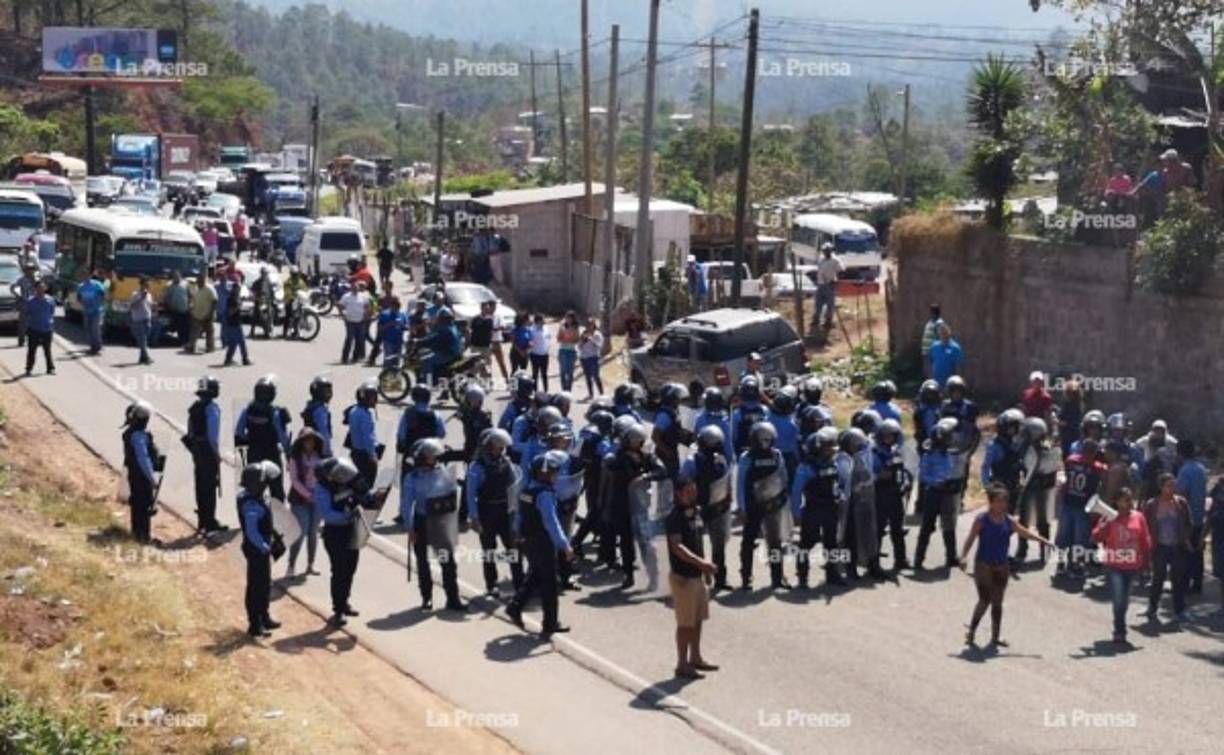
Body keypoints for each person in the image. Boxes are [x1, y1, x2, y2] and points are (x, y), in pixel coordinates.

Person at [958, 485, 1053, 647]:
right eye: (999, 501)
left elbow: (1024, 532)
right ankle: (971, 631)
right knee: (984, 600)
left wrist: (1043, 541)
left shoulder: (1008, 520)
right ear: (991, 503)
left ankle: (995, 636)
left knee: (997, 602)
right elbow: (971, 537)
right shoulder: (982, 519)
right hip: (984, 565)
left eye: (1005, 502)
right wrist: (964, 556)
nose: (1003, 505)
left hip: (1002, 566)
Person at [506, 450, 574, 637]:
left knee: (535, 575)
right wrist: (564, 545)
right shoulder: (544, 494)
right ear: (541, 473)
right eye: (552, 472)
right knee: (549, 583)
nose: (555, 475)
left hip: (527, 540)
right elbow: (551, 522)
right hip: (542, 542)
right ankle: (550, 623)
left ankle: (515, 606)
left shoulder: (527, 490)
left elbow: (519, 515)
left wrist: (518, 533)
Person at [400, 438, 466, 612]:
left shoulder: (443, 472)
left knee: (448, 562)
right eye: (430, 456)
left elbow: (452, 494)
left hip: (441, 522)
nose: (435, 459)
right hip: (422, 521)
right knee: (423, 562)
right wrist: (410, 528)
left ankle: (453, 598)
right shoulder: (412, 478)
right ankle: (426, 598)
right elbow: (406, 504)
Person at [666, 469, 719, 679]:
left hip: (697, 576)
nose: (692, 494)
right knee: (685, 623)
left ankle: (695, 658)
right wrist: (702, 563)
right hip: (683, 579)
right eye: (687, 492)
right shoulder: (674, 517)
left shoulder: (695, 513)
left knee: (697, 620)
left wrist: (704, 570)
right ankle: (681, 663)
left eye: (693, 491)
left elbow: (698, 542)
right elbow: (677, 547)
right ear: (678, 494)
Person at [600, 422, 666, 590]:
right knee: (626, 542)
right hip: (622, 505)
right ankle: (628, 574)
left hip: (642, 505)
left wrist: (645, 477)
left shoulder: (647, 457)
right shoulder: (619, 456)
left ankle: (653, 576)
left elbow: (661, 471)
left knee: (647, 543)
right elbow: (610, 463)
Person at [315, 457, 376, 627]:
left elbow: (367, 496)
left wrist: (369, 496)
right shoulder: (322, 488)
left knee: (350, 568)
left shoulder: (350, 481)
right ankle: (338, 610)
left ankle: (345, 601)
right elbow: (327, 514)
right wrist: (348, 516)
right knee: (339, 570)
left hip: (352, 530)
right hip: (335, 533)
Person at [467, 428, 525, 597]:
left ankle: (519, 583)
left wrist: (517, 515)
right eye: (498, 446)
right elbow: (471, 495)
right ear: (487, 446)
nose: (501, 450)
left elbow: (515, 487)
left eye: (502, 447)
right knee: (489, 550)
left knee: (513, 548)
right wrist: (474, 518)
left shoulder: (506, 463)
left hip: (505, 511)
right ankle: (491, 584)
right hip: (487, 512)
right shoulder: (477, 468)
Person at [1091, 488, 1152, 643]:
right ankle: (1120, 629)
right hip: (1114, 565)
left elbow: (1145, 540)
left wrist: (1146, 562)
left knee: (1125, 600)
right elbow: (1095, 538)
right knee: (1119, 599)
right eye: (1125, 499)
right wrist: (1104, 524)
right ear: (1117, 502)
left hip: (1132, 566)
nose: (1129, 502)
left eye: (1130, 498)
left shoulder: (1139, 517)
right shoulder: (1110, 517)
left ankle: (1120, 624)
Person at [736, 422, 791, 590]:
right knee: (748, 542)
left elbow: (783, 478)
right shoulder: (747, 457)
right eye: (763, 439)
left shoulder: (777, 455)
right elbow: (740, 484)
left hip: (773, 505)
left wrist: (785, 504)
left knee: (775, 542)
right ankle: (746, 578)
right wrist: (742, 507)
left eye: (769, 439)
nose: (766, 443)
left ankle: (777, 577)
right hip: (753, 506)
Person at [792, 427, 847, 588]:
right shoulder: (806, 467)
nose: (831, 449)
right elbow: (796, 491)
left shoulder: (832, 463)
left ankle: (832, 575)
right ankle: (802, 578)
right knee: (807, 544)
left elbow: (839, 483)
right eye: (827, 446)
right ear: (817, 448)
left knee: (831, 543)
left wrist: (841, 495)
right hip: (813, 510)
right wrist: (796, 513)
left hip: (831, 508)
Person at [238, 461, 283, 638]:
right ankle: (254, 624)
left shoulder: (252, 497)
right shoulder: (251, 505)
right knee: (256, 586)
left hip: (260, 549)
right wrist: (265, 547)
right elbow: (252, 531)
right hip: (256, 550)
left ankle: (264, 616)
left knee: (264, 585)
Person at [1143, 473, 1194, 623]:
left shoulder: (1181, 503)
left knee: (1177, 579)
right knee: (1158, 578)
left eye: (1174, 485)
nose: (1172, 489)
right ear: (1161, 487)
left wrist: (1185, 539)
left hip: (1177, 546)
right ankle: (1152, 607)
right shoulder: (1152, 505)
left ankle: (1180, 610)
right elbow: (1144, 525)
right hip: (1160, 546)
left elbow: (1188, 522)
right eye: (1169, 486)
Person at [235, 376, 292, 502]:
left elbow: (239, 431)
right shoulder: (275, 412)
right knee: (276, 490)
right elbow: (282, 435)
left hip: (253, 453)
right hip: (271, 453)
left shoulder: (248, 410)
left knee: (254, 487)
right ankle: (277, 519)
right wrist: (288, 450)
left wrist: (250, 439)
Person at [1056, 438, 1107, 577]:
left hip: (1076, 504)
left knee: (1071, 536)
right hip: (1076, 504)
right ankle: (1067, 564)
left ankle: (1068, 564)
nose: (1089, 454)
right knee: (1072, 536)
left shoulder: (1072, 461)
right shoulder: (1097, 467)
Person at [184, 376, 227, 536]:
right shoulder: (212, 409)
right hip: (207, 450)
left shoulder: (194, 407)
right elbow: (213, 436)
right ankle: (210, 522)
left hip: (196, 449)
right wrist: (216, 455)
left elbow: (189, 431)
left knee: (200, 484)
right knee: (210, 486)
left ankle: (202, 520)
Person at [914, 418, 958, 570]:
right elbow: (923, 476)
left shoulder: (949, 455)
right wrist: (937, 481)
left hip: (947, 493)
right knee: (927, 526)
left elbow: (951, 472)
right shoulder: (929, 456)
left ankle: (951, 557)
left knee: (949, 525)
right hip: (933, 492)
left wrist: (953, 482)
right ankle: (918, 559)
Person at [1016, 418, 1059, 563]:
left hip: (1039, 488)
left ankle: (1043, 549)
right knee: (1024, 521)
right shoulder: (1026, 447)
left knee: (1042, 520)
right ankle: (1023, 549)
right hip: (1032, 487)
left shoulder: (1045, 449)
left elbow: (1050, 469)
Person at [122, 401, 162, 545]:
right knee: (144, 506)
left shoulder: (129, 433)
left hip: (134, 475)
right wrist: (152, 478)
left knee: (137, 504)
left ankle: (136, 534)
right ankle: (144, 538)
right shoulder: (139, 436)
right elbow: (143, 458)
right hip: (142, 477)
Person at [286, 429, 324, 580]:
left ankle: (310, 564)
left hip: (318, 499)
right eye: (307, 440)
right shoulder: (295, 458)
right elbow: (294, 481)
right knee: (300, 532)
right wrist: (308, 495)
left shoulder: (319, 457)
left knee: (313, 532)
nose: (310, 443)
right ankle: (291, 565)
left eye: (312, 440)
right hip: (300, 500)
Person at [873, 419, 911, 571]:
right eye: (886, 436)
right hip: (880, 495)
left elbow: (904, 471)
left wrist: (906, 482)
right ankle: (874, 563)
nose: (889, 438)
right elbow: (868, 474)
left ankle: (900, 559)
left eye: (892, 435)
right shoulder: (875, 453)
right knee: (878, 529)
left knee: (898, 529)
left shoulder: (897, 452)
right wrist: (879, 476)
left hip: (896, 494)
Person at [1175, 440, 1208, 595]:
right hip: (1199, 516)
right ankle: (1197, 584)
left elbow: (1182, 494)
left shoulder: (1185, 470)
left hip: (1187, 518)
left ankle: (1184, 584)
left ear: (1180, 453)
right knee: (1197, 552)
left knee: (1185, 552)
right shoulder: (1201, 469)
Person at [344, 381, 383, 492]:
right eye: (372, 397)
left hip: (355, 452)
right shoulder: (366, 415)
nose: (375, 400)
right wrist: (372, 456)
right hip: (365, 455)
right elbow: (368, 438)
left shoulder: (354, 410)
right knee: (367, 484)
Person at [652, 383, 692, 480]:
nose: (679, 400)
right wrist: (668, 452)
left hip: (671, 449)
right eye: (676, 397)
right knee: (669, 480)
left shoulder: (672, 411)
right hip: (665, 453)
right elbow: (655, 437)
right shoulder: (664, 416)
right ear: (671, 399)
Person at [417, 307, 463, 386]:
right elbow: (433, 337)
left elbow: (435, 339)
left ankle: (428, 384)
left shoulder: (445, 329)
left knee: (426, 361)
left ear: (443, 318)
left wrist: (421, 342)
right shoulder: (452, 326)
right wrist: (423, 340)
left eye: (441, 318)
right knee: (428, 355)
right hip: (453, 352)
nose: (439, 320)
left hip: (449, 353)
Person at [22, 280, 56, 376]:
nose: (41, 289)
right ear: (35, 289)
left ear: (45, 288)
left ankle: (50, 368)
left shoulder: (50, 300)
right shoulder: (30, 301)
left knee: (47, 350)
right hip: (34, 329)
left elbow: (52, 312)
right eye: (39, 288)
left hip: (47, 329)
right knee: (32, 350)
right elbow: (26, 313)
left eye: (43, 287)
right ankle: (28, 369)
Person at [76, 269, 108, 355]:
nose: (85, 277)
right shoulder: (80, 286)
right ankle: (92, 345)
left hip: (97, 310)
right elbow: (78, 298)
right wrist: (83, 303)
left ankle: (97, 346)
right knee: (88, 328)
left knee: (95, 328)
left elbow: (103, 295)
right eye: (83, 276)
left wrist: (99, 304)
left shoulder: (97, 284)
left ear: (90, 276)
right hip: (86, 311)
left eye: (87, 275)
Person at [301, 376, 334, 457]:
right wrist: (327, 452)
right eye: (326, 392)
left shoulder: (311, 405)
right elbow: (323, 432)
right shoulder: (319, 410)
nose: (329, 394)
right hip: (319, 449)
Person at [340, 281, 371, 364]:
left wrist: (366, 316)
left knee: (359, 340)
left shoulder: (363, 297)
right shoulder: (346, 296)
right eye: (353, 288)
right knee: (349, 339)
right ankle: (344, 358)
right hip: (350, 321)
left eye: (356, 288)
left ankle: (355, 357)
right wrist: (342, 315)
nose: (355, 289)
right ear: (351, 288)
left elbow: (367, 307)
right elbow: (341, 306)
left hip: (360, 321)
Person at [220, 279, 250, 366]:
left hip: (237, 322)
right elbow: (230, 312)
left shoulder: (237, 298)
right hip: (233, 324)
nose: (239, 290)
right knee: (241, 342)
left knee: (234, 344)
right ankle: (245, 359)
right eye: (237, 288)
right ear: (234, 289)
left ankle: (228, 360)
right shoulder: (231, 299)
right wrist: (238, 307)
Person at [814, 243, 843, 329]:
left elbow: (841, 270)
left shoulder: (835, 260)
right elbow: (819, 270)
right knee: (818, 304)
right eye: (824, 251)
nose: (826, 252)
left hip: (829, 284)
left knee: (830, 305)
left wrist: (835, 280)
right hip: (820, 284)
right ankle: (816, 320)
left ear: (831, 251)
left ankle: (828, 321)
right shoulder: (821, 259)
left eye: (827, 251)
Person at [185, 271, 216, 354]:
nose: (198, 282)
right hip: (197, 314)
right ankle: (191, 346)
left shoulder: (209, 289)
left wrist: (211, 313)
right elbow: (194, 300)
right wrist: (191, 309)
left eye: (200, 280)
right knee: (194, 331)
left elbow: (214, 301)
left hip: (208, 314)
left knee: (209, 331)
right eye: (197, 281)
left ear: (203, 280)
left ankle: (210, 347)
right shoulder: (197, 289)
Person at [11, 261, 39, 348]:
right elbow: (13, 287)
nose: (30, 271)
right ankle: (21, 340)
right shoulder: (21, 280)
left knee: (37, 322)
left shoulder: (37, 279)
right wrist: (18, 296)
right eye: (28, 269)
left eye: (32, 269)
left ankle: (36, 339)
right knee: (23, 323)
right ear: (25, 270)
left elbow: (43, 288)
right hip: (25, 302)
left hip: (36, 302)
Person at [129, 276, 155, 365]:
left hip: (147, 319)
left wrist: (154, 307)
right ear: (141, 284)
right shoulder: (135, 294)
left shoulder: (149, 295)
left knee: (144, 340)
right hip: (138, 319)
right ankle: (146, 357)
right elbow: (132, 306)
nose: (147, 285)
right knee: (142, 340)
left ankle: (142, 358)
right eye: (145, 284)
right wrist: (141, 299)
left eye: (148, 284)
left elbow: (150, 306)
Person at [578, 317, 605, 399]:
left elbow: (599, 346)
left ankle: (601, 394)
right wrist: (583, 340)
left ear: (594, 325)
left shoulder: (597, 334)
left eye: (590, 324)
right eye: (587, 324)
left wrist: (592, 339)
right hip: (584, 357)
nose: (589, 326)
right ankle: (591, 394)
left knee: (596, 376)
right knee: (588, 377)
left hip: (594, 357)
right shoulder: (583, 334)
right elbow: (579, 346)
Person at [163, 271, 191, 347]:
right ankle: (181, 342)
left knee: (185, 327)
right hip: (174, 310)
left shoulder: (185, 284)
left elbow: (190, 294)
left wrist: (190, 304)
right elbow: (166, 296)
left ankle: (186, 342)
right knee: (178, 326)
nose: (176, 278)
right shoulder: (169, 285)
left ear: (180, 276)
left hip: (184, 309)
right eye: (174, 277)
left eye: (177, 276)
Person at [556, 311, 580, 392]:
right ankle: (563, 389)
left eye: (570, 318)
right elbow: (558, 339)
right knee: (562, 371)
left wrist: (571, 339)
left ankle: (568, 389)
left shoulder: (576, 328)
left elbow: (577, 340)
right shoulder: (562, 327)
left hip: (571, 351)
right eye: (567, 318)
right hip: (563, 350)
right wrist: (563, 337)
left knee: (570, 372)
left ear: (573, 319)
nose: (568, 320)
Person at [281, 266, 308, 339]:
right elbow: (287, 291)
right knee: (288, 316)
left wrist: (304, 294)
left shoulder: (300, 281)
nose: (295, 275)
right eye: (293, 274)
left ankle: (296, 332)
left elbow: (305, 289)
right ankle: (285, 333)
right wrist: (292, 297)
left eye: (296, 274)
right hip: (289, 301)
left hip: (298, 301)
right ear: (291, 273)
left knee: (298, 317)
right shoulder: (288, 281)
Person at [919, 305, 945, 379]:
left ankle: (934, 388)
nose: (930, 314)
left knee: (932, 373)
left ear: (934, 313)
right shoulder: (931, 322)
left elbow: (940, 337)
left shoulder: (939, 323)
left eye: (931, 312)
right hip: (926, 351)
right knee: (927, 372)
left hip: (932, 352)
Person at [529, 313, 551, 391]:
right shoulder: (531, 330)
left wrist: (547, 348)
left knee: (544, 374)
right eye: (542, 320)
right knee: (535, 374)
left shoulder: (546, 328)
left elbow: (549, 338)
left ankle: (546, 391)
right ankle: (535, 391)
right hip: (535, 354)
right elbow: (529, 341)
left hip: (545, 355)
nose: (543, 321)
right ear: (537, 321)